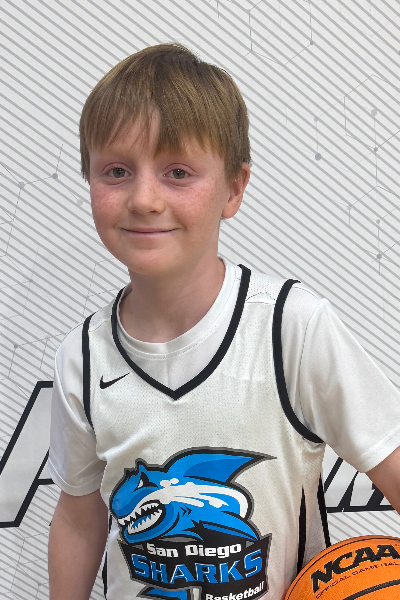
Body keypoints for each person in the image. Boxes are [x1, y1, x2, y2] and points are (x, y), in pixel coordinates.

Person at [47, 43, 400, 600]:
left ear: (234, 188)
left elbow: (392, 461)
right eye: (116, 171)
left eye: (178, 172)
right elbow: (77, 517)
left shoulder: (291, 327)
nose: (144, 199)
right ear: (88, 179)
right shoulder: (82, 356)